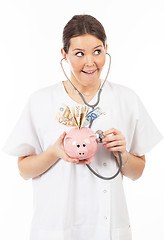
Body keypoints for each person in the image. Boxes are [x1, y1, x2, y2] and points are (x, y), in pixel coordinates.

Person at [3, 14, 162, 240]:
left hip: (107, 229)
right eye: (79, 54)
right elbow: (24, 170)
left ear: (106, 49)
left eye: (97, 51)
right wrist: (54, 152)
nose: (90, 62)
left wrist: (121, 154)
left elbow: (137, 172)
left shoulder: (126, 99)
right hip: (56, 228)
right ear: (64, 54)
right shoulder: (41, 101)